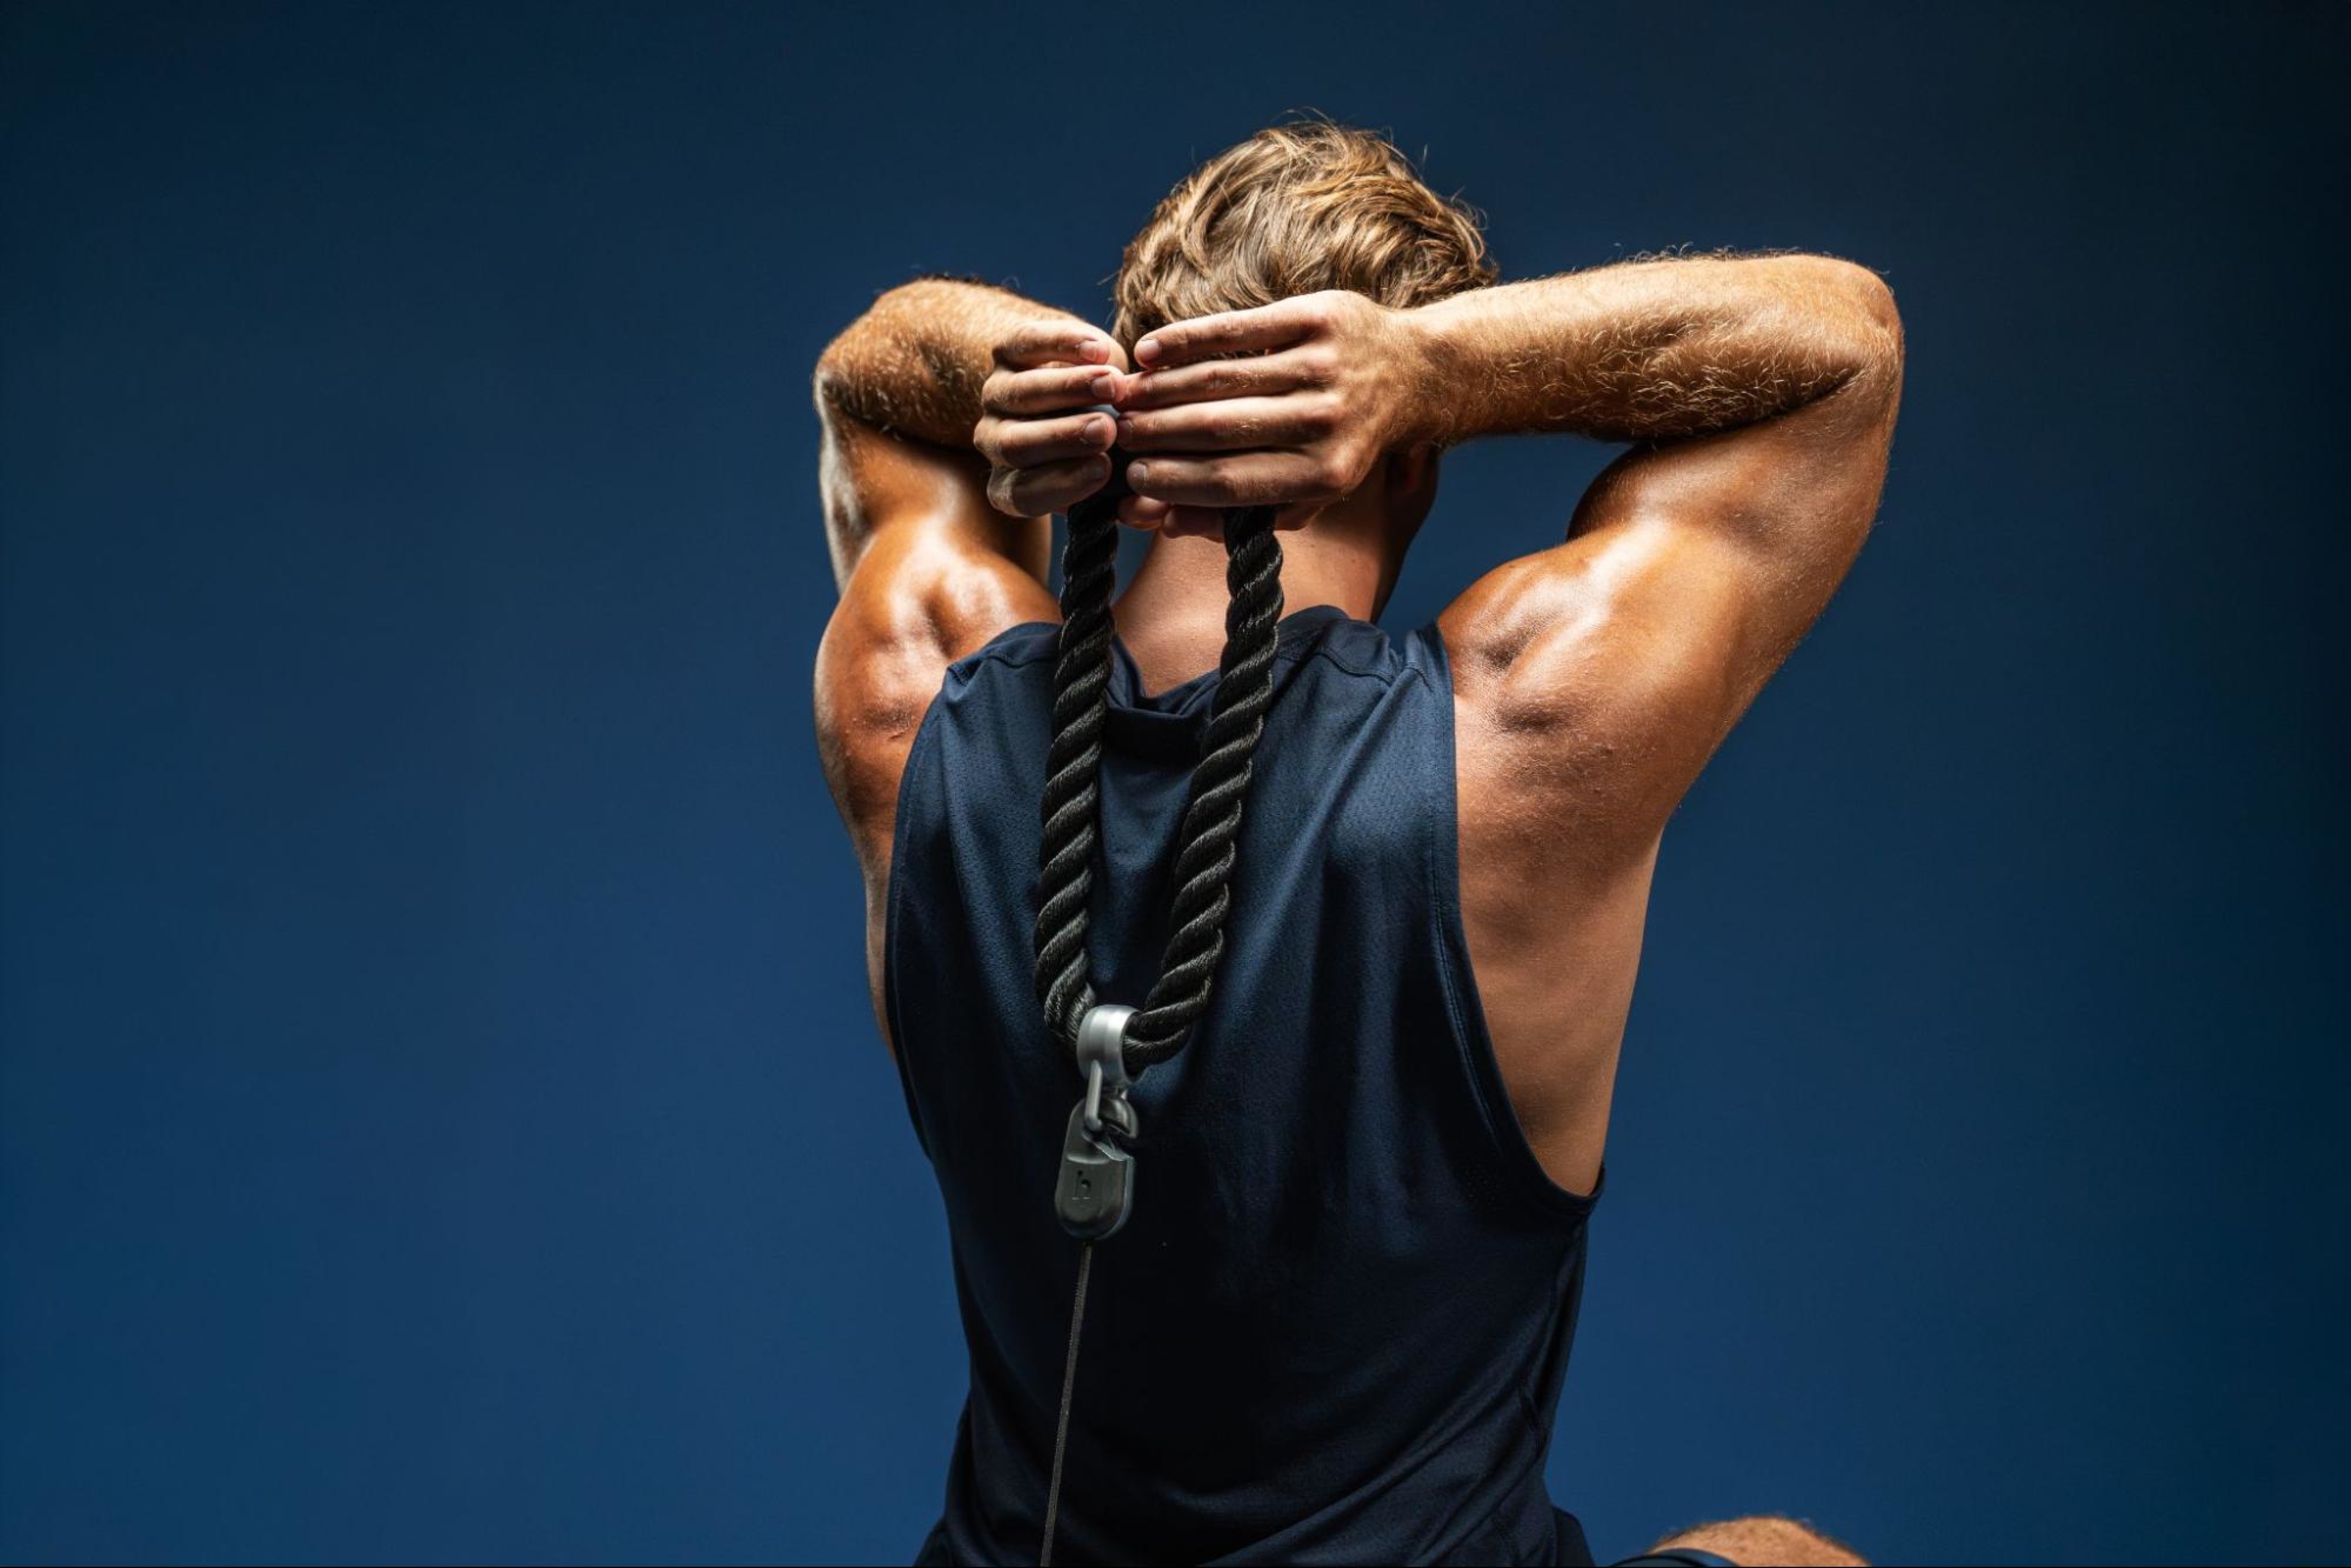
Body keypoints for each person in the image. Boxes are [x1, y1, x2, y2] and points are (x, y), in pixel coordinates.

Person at [812, 120, 1900, 1567]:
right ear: (1412, 459)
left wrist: (1031, 369)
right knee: (1787, 1557)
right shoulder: (1525, 728)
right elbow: (1845, 347)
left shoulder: (915, 694)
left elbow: (869, 379)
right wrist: (1441, 368)